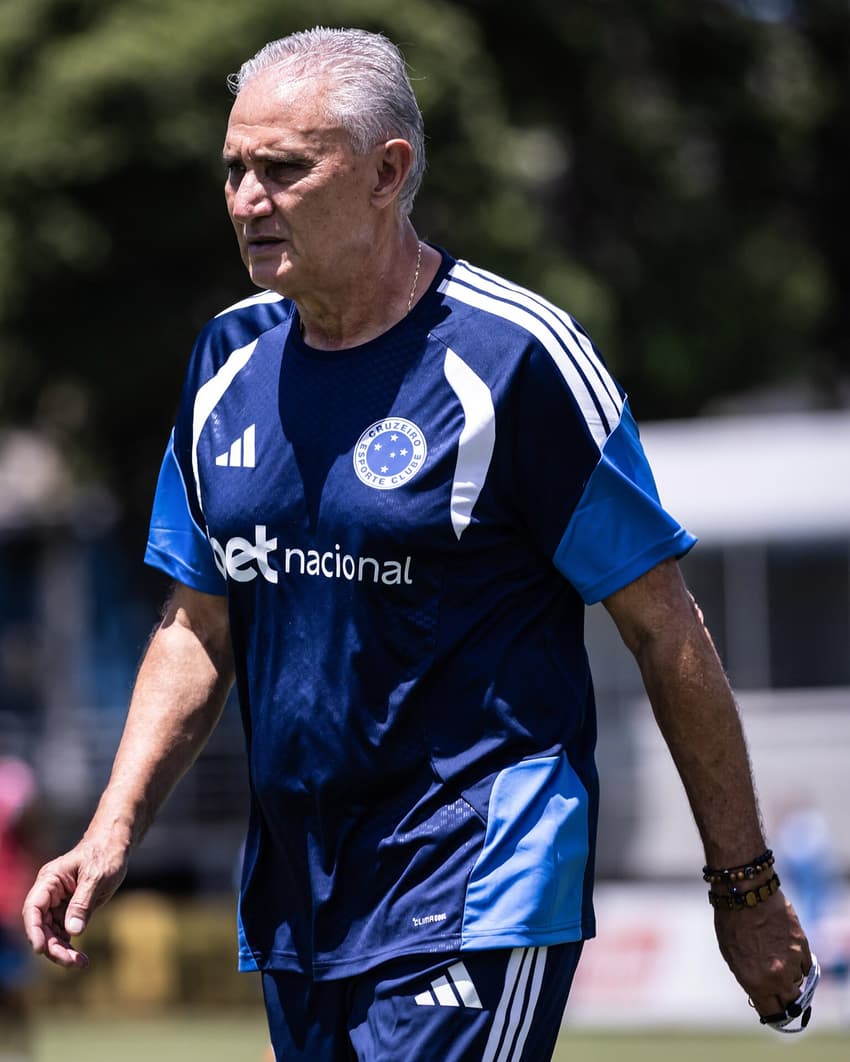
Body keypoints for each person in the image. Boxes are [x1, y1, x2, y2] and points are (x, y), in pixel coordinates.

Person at [23, 26, 813, 1061]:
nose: (247, 200)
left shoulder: (517, 360)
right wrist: (114, 826)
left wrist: (742, 884)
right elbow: (196, 622)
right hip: (299, 900)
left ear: (388, 172)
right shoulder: (226, 359)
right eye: (233, 170)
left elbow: (665, 630)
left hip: (477, 878)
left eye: (283, 169)